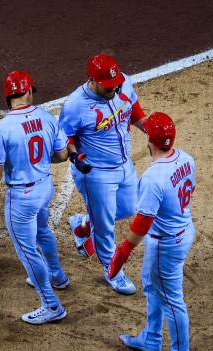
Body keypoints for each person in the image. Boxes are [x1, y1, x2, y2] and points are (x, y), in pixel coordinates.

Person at [0, 71, 70, 325]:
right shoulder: (47, 117)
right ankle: (58, 276)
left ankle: (51, 305)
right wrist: (37, 161)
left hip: (22, 197)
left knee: (28, 252)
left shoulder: (2, 128)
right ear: (28, 91)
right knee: (42, 232)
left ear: (8, 97)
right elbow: (62, 155)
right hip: (45, 187)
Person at [109, 112, 196, 351]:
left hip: (166, 244)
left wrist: (123, 251)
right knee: (151, 284)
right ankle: (151, 337)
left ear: (150, 140)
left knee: (172, 299)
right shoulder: (187, 159)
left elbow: (141, 224)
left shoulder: (153, 178)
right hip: (183, 230)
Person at [58, 53, 147, 295]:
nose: (113, 89)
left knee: (130, 208)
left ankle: (83, 224)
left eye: (115, 83)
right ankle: (112, 269)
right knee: (105, 226)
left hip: (124, 164)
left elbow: (135, 111)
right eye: (107, 86)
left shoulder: (123, 83)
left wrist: (150, 130)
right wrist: (75, 156)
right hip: (96, 173)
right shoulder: (76, 104)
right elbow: (65, 135)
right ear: (92, 80)